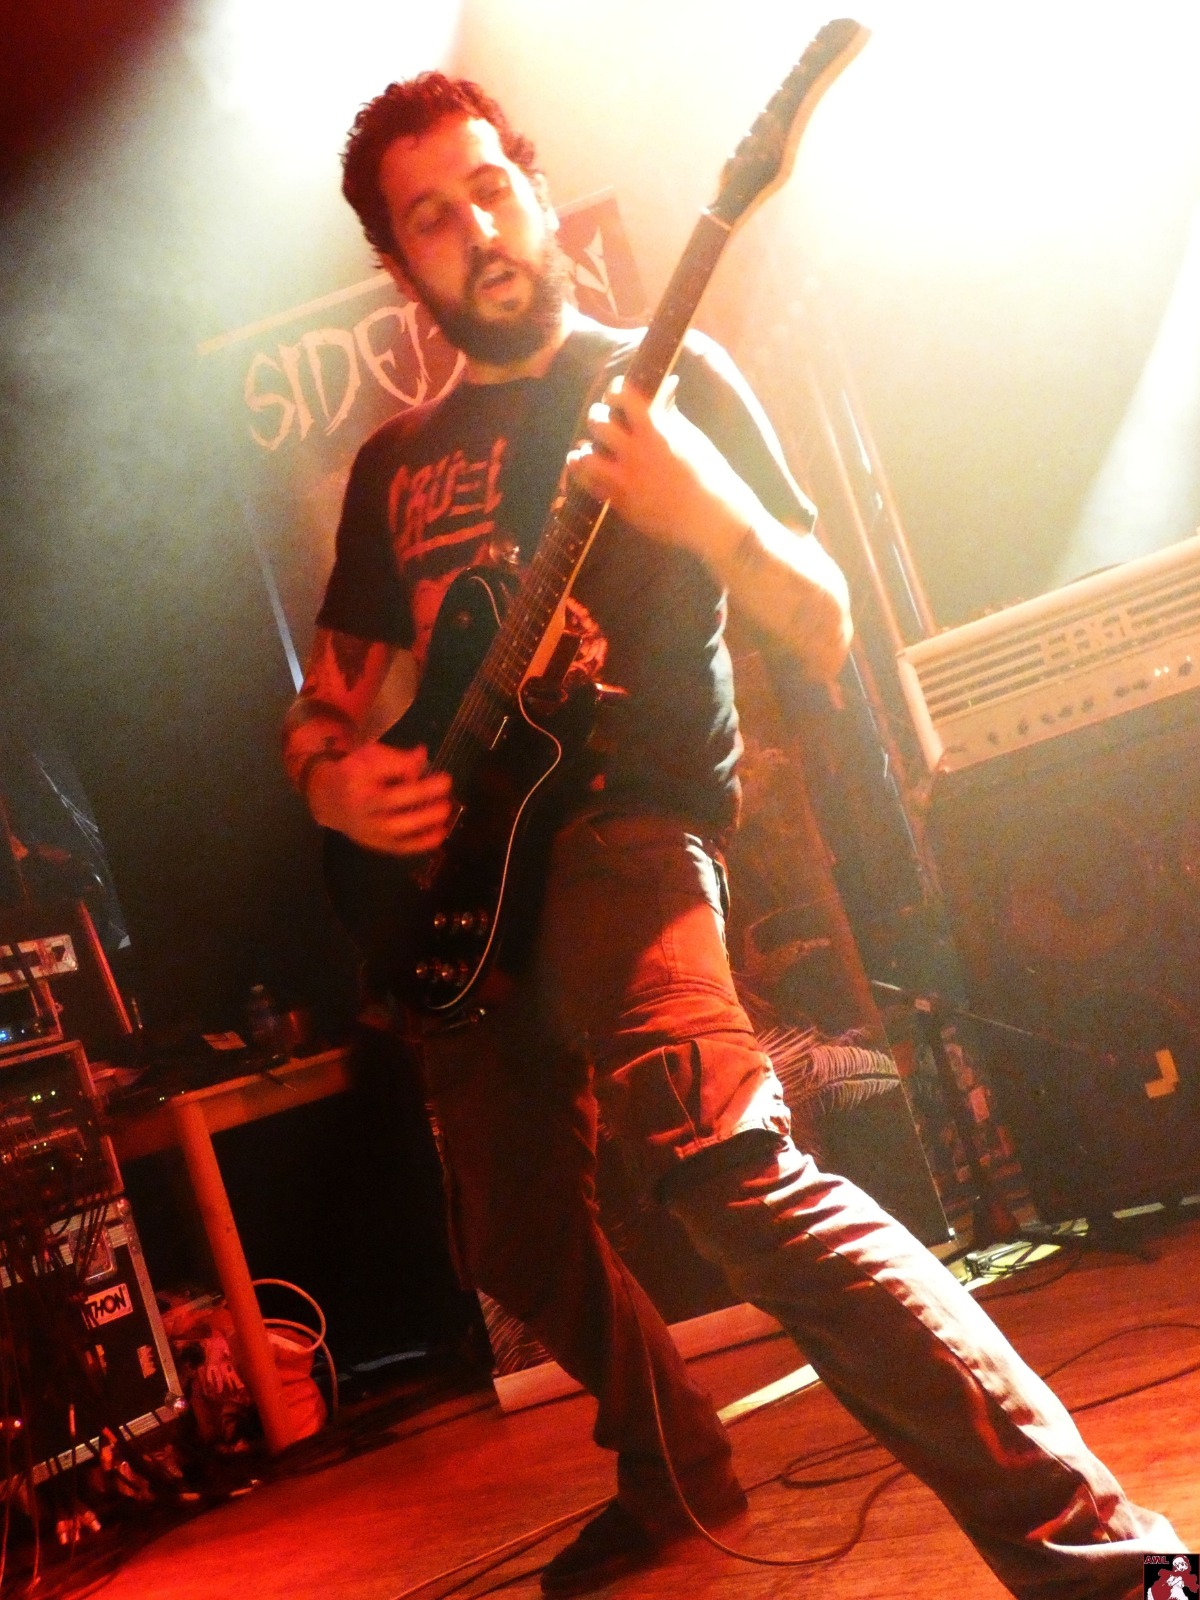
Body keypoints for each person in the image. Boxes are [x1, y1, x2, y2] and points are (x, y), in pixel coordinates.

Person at [283, 72, 1182, 1599]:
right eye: (432, 217)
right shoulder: (393, 463)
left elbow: (823, 621)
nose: (478, 230)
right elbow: (329, 695)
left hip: (624, 838)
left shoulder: (668, 376)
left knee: (724, 1162)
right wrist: (331, 783)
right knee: (510, 1237)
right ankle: (673, 1466)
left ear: (534, 191)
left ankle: (1098, 1553)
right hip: (457, 890)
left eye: (492, 189)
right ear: (397, 262)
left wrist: (711, 514)